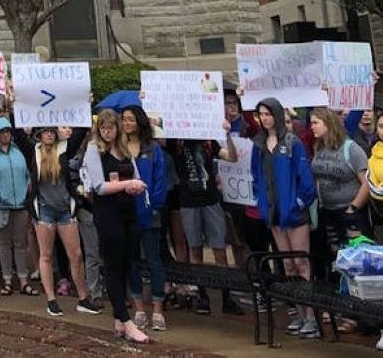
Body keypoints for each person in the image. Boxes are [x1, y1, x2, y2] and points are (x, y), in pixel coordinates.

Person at [251, 97, 318, 338]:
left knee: (301, 264)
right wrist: (262, 204)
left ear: (277, 115)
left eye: (268, 113)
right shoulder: (258, 145)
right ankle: (299, 312)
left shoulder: (292, 142)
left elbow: (306, 180)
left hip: (294, 214)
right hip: (274, 213)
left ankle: (311, 316)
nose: (265, 118)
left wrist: (298, 202)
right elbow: (256, 177)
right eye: (261, 114)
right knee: (287, 264)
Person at [83, 109, 149, 344]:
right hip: (108, 214)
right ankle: (125, 319)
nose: (107, 132)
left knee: (125, 263)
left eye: (111, 127)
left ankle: (119, 320)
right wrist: (127, 184)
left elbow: (137, 175)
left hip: (128, 212)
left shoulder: (123, 149)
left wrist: (134, 185)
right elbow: (99, 186)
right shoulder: (94, 150)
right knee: (112, 266)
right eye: (103, 128)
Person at [170, 119, 241, 317]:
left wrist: (226, 135)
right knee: (195, 249)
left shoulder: (209, 141)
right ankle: (202, 295)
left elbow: (232, 157)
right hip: (188, 201)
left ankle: (226, 296)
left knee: (219, 250)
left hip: (210, 200)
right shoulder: (175, 140)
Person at [29, 125, 100, 316]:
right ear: (39, 135)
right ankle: (51, 300)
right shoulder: (33, 151)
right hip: (44, 211)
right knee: (46, 255)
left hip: (64, 210)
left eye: (52, 130)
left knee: (76, 255)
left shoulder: (64, 149)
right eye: (46, 131)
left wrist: (84, 102)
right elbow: (18, 133)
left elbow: (80, 130)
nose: (50, 133)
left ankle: (83, 298)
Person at [121, 106, 168, 331]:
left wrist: (155, 205)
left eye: (130, 119)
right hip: (128, 213)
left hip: (150, 212)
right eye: (124, 120)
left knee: (154, 260)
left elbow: (160, 178)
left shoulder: (153, 148)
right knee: (131, 261)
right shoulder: (119, 148)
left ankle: (158, 309)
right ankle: (139, 307)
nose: (126, 123)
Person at [0, 117, 35, 297]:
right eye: (2, 132)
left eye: (8, 131)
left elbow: (27, 172)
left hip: (20, 205)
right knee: (3, 244)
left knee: (20, 243)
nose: (6, 135)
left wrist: (27, 187)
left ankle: (24, 280)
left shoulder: (18, 152)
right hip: (0, 206)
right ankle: (8, 280)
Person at [310, 107, 370, 255]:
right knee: (336, 257)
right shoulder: (319, 148)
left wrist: (353, 208)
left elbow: (367, 183)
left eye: (315, 123)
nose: (311, 127)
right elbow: (318, 177)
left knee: (355, 256)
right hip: (328, 212)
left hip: (350, 212)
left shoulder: (351, 148)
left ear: (328, 124)